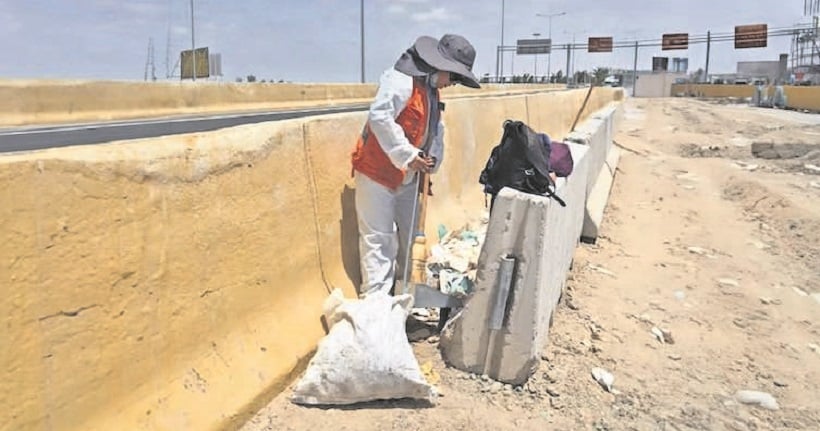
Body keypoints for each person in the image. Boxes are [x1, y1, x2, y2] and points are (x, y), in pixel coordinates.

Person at [351, 34, 480, 297]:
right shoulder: (400, 81)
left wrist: (432, 159)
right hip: (377, 174)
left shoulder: (431, 91)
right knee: (379, 241)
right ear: (440, 66)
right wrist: (408, 155)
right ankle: (376, 304)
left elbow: (435, 130)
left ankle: (404, 298)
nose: (453, 83)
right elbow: (380, 117)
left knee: (410, 240)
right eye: (453, 76)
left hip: (409, 178)